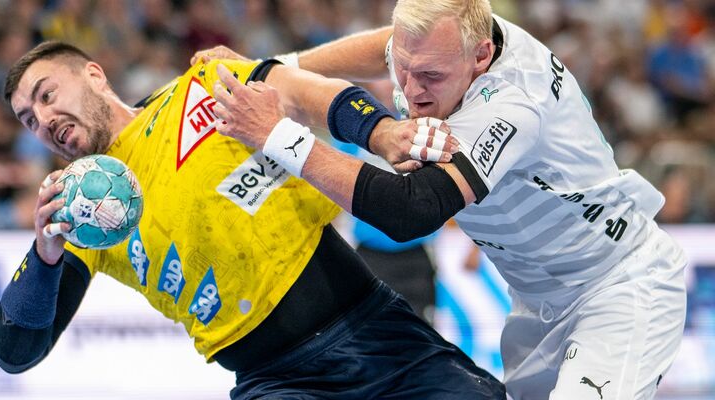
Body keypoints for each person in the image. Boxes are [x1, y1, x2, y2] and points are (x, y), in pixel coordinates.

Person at [200, 0, 688, 398]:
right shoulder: (451, 43)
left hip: (619, 286)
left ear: (480, 57)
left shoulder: (513, 102)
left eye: (429, 77)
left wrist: (278, 135)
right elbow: (385, 48)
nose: (411, 91)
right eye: (404, 70)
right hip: (538, 303)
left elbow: (410, 210)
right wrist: (277, 67)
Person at [0, 41, 505, 400]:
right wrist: (44, 254)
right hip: (275, 383)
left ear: (94, 75)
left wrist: (383, 133)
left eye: (46, 95)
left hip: (376, 331)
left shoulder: (197, 89)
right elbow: (15, 352)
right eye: (28, 119)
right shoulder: (81, 219)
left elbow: (306, 91)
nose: (43, 120)